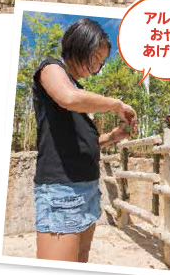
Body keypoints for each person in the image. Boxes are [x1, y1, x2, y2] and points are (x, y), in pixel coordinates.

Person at [32, 18, 137, 262]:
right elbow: (68, 98)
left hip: (88, 189)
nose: (96, 69)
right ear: (79, 46)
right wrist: (116, 104)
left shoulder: (78, 89)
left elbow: (80, 142)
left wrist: (113, 136)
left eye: (100, 64)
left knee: (80, 261)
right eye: (95, 60)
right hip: (61, 190)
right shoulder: (51, 68)